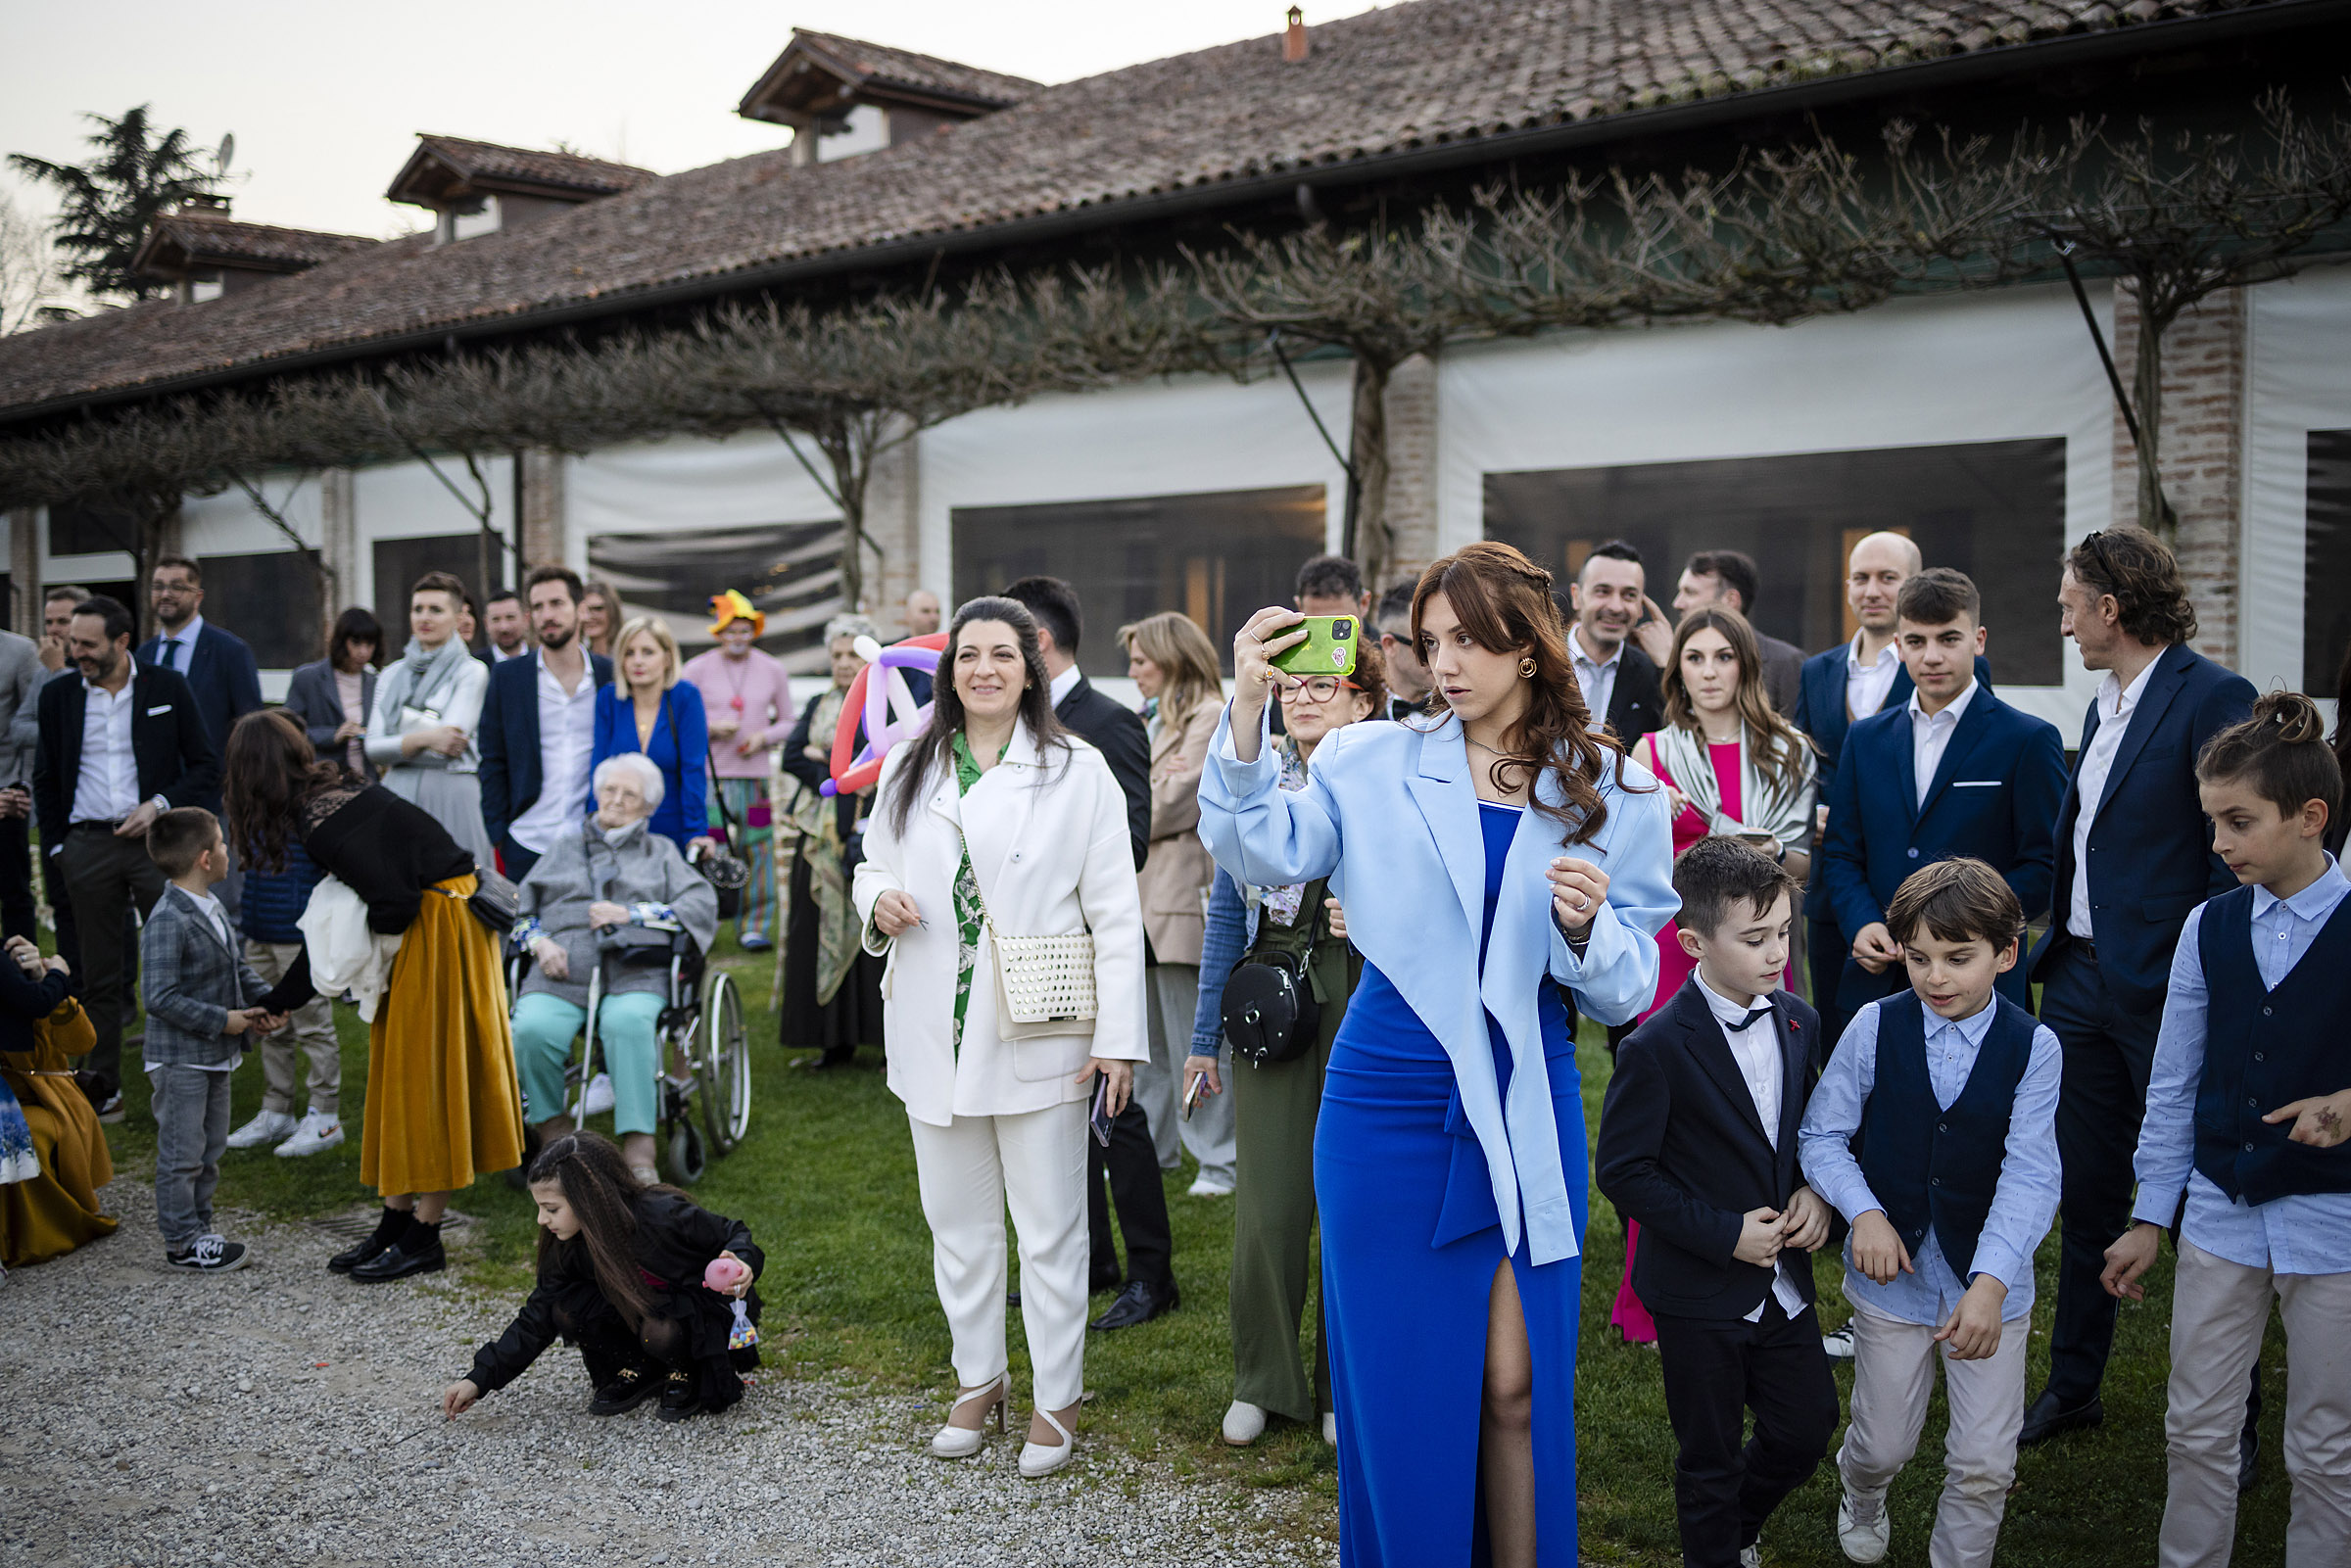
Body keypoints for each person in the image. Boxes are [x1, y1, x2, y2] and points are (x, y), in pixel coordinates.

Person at [1202, 541, 1675, 1566]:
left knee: (1516, 1385)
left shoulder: (1616, 786)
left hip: (1524, 1088)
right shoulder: (1368, 757)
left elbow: (1634, 988)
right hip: (1382, 1098)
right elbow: (1262, 850)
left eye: (1471, 638)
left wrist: (1592, 933)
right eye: (1431, 641)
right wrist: (1243, 712)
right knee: (1402, 1393)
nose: (1446, 662)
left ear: (1528, 643)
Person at [852, 595, 1146, 1479]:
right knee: (958, 1226)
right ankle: (978, 1379)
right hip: (932, 1025)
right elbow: (870, 858)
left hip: (1039, 1025)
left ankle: (1057, 1394)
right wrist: (878, 899)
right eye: (968, 654)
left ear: (1032, 666)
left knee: (1052, 1227)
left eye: (1002, 655)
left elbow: (1115, 911)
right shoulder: (911, 760)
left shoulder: (1077, 768)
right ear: (948, 670)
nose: (984, 669)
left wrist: (1119, 1038)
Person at [2100, 692, 2351, 1567]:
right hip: (2220, 1210)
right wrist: (2149, 1214)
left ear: (2310, 817)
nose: (2219, 843)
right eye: (2211, 822)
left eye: (2238, 822)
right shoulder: (2208, 926)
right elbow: (2172, 1084)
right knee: (2196, 1424)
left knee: (2326, 1443)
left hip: (2335, 1223)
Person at [2021, 526, 2258, 1449]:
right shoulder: (2102, 705)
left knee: (2200, 1201)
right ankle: (2074, 1385)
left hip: (2167, 992)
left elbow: (2226, 846)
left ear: (2110, 608)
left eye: (2071, 602)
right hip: (2076, 980)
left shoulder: (2213, 695)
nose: (2066, 617)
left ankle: (2230, 1420)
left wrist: (2200, 974)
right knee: (2087, 1193)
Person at [1798, 857, 2061, 1568]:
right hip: (1893, 1282)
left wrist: (1994, 1281)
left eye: (1958, 957)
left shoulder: (2035, 1047)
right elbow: (1821, 1134)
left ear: (2007, 954)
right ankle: (1862, 1490)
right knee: (1883, 1440)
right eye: (1918, 957)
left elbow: (2032, 1174)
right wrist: (1864, 1213)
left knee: (1984, 1462)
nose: (1935, 976)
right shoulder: (1873, 1026)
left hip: (1989, 1286)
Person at [1597, 838, 1838, 1568]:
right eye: (1755, 938)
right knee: (1708, 1455)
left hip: (1783, 1284)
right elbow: (1624, 1171)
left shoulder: (1799, 1019)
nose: (1776, 953)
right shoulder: (1655, 1047)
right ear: (1694, 940)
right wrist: (1724, 1233)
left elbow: (1810, 1130)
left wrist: (1815, 1191)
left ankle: (1738, 1524)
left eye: (1785, 933)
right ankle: (1714, 1547)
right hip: (1698, 1291)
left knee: (1807, 1425)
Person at [232, 708, 524, 1283]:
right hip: (440, 920)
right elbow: (349, 915)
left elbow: (391, 902)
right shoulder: (335, 787)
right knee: (402, 1079)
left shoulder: (320, 820)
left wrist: (341, 967)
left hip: (440, 928)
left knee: (429, 1081)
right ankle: (396, 1223)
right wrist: (283, 998)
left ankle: (424, 1235)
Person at [1185, 641, 1387, 1449]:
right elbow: (1226, 918)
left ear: (1364, 703)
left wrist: (1369, 916)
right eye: (1289, 685)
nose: (1302, 697)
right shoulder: (1252, 779)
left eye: (1324, 685)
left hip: (1366, 986)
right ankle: (1261, 1378)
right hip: (1270, 991)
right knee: (1267, 1201)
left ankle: (1347, 1385)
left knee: (1354, 1202)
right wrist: (1204, 1039)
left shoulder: (1391, 785)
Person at [1610, 606, 1816, 1348]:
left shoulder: (1788, 752)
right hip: (1680, 942)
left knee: (1756, 1111)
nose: (1706, 670)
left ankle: (1760, 1270)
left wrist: (1716, 826)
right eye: (1692, 657)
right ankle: (1650, 1296)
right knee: (1675, 1117)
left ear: (1745, 666)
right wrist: (1676, 820)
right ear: (1678, 671)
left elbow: (1795, 861)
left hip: (1761, 940)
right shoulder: (1653, 752)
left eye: (1721, 656)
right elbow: (1633, 863)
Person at [997, 576, 1171, 1333]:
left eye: (1004, 644)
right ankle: (1090, 1258)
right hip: (1024, 954)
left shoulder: (1110, 720)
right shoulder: (1004, 725)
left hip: (1092, 946)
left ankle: (1151, 1273)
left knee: (1115, 1110)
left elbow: (1132, 839)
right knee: (1056, 1102)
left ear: (1038, 641)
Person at [1820, 569, 2065, 1022]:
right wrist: (1862, 922)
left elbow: (2045, 863)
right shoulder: (1866, 738)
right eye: (1916, 641)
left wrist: (1966, 931)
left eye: (1948, 639)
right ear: (1897, 645)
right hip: (1879, 978)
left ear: (1979, 640)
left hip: (1982, 987)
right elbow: (1841, 853)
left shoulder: (2028, 739)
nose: (1931, 656)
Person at [1795, 532, 1991, 1048]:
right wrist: (1811, 814)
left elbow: (1966, 757)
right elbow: (1801, 763)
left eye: (1888, 578)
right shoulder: (1818, 670)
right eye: (1861, 578)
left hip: (1940, 892)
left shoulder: (1948, 661)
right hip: (1844, 889)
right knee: (1844, 1043)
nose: (1873, 590)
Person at [31, 594, 220, 1122]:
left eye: (88, 645)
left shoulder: (166, 688)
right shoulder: (61, 696)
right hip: (86, 847)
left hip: (156, 847)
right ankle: (104, 1085)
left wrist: (158, 806)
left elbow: (205, 764)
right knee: (99, 976)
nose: (77, 654)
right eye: (72, 643)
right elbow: (46, 778)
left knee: (180, 964)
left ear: (122, 642)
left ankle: (191, 1077)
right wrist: (60, 847)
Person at [444, 1132, 762, 1424]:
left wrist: (742, 1262)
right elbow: (537, 1315)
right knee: (564, 1310)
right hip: (637, 1308)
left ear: (589, 1197)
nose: (542, 1220)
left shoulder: (663, 1215)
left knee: (660, 1332)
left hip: (694, 1315)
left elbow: (733, 1232)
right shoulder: (567, 1242)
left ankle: (684, 1369)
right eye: (540, 1208)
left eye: (551, 1208)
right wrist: (479, 1378)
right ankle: (642, 1366)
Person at [511, 753, 719, 1185]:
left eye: (630, 794)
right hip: (562, 970)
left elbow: (699, 905)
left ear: (648, 807)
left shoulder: (660, 851)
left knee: (627, 1023)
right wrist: (539, 942)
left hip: (636, 971)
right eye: (609, 790)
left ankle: (638, 1147)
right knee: (531, 1026)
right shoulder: (564, 847)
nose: (616, 800)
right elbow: (517, 910)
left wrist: (633, 913)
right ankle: (552, 1131)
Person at [139, 806, 280, 1274]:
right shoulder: (167, 919)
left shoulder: (212, 906)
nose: (226, 852)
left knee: (209, 1148)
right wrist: (224, 1019)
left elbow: (236, 968)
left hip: (213, 1057)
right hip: (181, 1061)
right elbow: (158, 997)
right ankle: (181, 1242)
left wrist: (266, 1002)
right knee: (182, 1154)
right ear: (203, 859)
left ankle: (200, 1228)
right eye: (221, 844)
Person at [1121, 611, 1231, 1196]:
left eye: (1142, 660)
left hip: (1180, 898)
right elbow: (1150, 797)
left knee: (1196, 1039)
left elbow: (1169, 807)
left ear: (1172, 658)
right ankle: (1158, 1150)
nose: (1133, 671)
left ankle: (1217, 1159)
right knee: (1149, 1045)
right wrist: (1155, 790)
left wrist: (1154, 793)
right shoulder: (1156, 719)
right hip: (1143, 898)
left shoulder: (1209, 714)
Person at [777, 614, 886, 1069]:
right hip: (817, 840)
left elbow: (890, 758)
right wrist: (839, 776)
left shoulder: (886, 703)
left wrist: (825, 761)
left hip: (871, 835)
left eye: (852, 655)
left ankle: (881, 1042)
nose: (844, 663)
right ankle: (830, 1042)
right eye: (837, 655)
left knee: (874, 940)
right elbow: (790, 756)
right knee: (816, 932)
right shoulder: (819, 704)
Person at [139, 554, 264, 919]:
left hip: (216, 800)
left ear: (198, 595)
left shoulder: (229, 651)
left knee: (221, 905)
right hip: (157, 802)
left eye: (178, 586)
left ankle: (226, 974)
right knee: (164, 908)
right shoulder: (144, 655)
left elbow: (249, 727)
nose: (166, 594)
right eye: (159, 586)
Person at [480, 566, 614, 883]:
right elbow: (492, 757)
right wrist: (499, 831)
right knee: (526, 932)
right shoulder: (508, 677)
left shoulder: (609, 675)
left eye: (556, 603)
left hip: (595, 836)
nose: (546, 615)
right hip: (527, 838)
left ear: (581, 609)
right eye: (537, 607)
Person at [681, 590, 792, 952]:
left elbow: (789, 722)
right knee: (711, 851)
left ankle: (755, 925)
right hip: (711, 780)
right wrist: (713, 728)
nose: (738, 638)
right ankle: (707, 921)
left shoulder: (773, 669)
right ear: (719, 631)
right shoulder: (695, 669)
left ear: (754, 631)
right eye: (731, 630)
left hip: (755, 779)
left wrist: (763, 737)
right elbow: (681, 718)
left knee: (757, 849)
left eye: (745, 630)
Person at [222, 825, 342, 1159]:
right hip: (259, 927)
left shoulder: (307, 803)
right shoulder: (253, 806)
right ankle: (277, 1111)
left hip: (298, 929)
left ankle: (325, 1115)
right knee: (269, 1025)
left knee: (313, 1027)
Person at [0, 936, 118, 1266]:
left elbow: (81, 1042)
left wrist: (45, 981)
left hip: (49, 1097)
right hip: (7, 1098)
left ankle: (36, 1234)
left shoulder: (34, 993)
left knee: (25, 1136)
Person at [366, 571, 495, 869]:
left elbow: (448, 748)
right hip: (397, 796)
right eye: (418, 609)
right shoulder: (390, 674)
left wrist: (397, 740)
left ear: (458, 616)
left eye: (436, 610)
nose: (425, 617)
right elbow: (372, 748)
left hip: (453, 795)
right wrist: (425, 736)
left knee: (459, 891)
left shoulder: (472, 671)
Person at [593, 616, 710, 859]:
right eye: (629, 653)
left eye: (648, 652)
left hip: (672, 829)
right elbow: (599, 768)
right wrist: (595, 824)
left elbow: (693, 769)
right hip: (617, 829)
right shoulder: (609, 698)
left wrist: (695, 832)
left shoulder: (685, 698)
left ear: (667, 658)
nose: (637, 661)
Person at [1670, 550, 1804, 715]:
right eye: (1695, 658)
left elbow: (1797, 735)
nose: (1678, 603)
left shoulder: (1785, 663)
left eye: (1690, 592)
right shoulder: (1670, 658)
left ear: (1730, 600)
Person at [1569, 540, 1668, 746]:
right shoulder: (1539, 661)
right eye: (1603, 591)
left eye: (1629, 595)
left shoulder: (1651, 676)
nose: (1616, 607)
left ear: (1641, 605)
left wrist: (1669, 665)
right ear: (1577, 597)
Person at [285, 608, 381, 784]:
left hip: (367, 780)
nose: (363, 652)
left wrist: (368, 734)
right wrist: (333, 735)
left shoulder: (376, 682)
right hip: (322, 780)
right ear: (341, 641)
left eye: (369, 645)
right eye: (356, 643)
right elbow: (288, 733)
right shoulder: (308, 678)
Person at [0, 620, 42, 940]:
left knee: (14, 895)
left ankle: (22, 976)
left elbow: (33, 727)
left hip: (7, 794)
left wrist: (23, 787)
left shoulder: (19, 651)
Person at [1372, 582, 1432, 721]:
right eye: (1428, 643)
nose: (1441, 659)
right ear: (1390, 645)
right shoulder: (1358, 710)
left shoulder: (1462, 711)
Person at [35, 585, 88, 677]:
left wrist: (57, 669)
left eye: (63, 622)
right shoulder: (42, 666)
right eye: (49, 622)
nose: (53, 629)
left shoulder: (98, 663)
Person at [478, 591, 529, 664]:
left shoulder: (540, 661)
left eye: (510, 617)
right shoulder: (476, 666)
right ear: (486, 624)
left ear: (526, 619)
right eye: (496, 619)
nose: (504, 628)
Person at [581, 580, 622, 661]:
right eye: (585, 609)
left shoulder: (626, 655)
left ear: (612, 611)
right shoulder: (580, 659)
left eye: (598, 609)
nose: (590, 616)